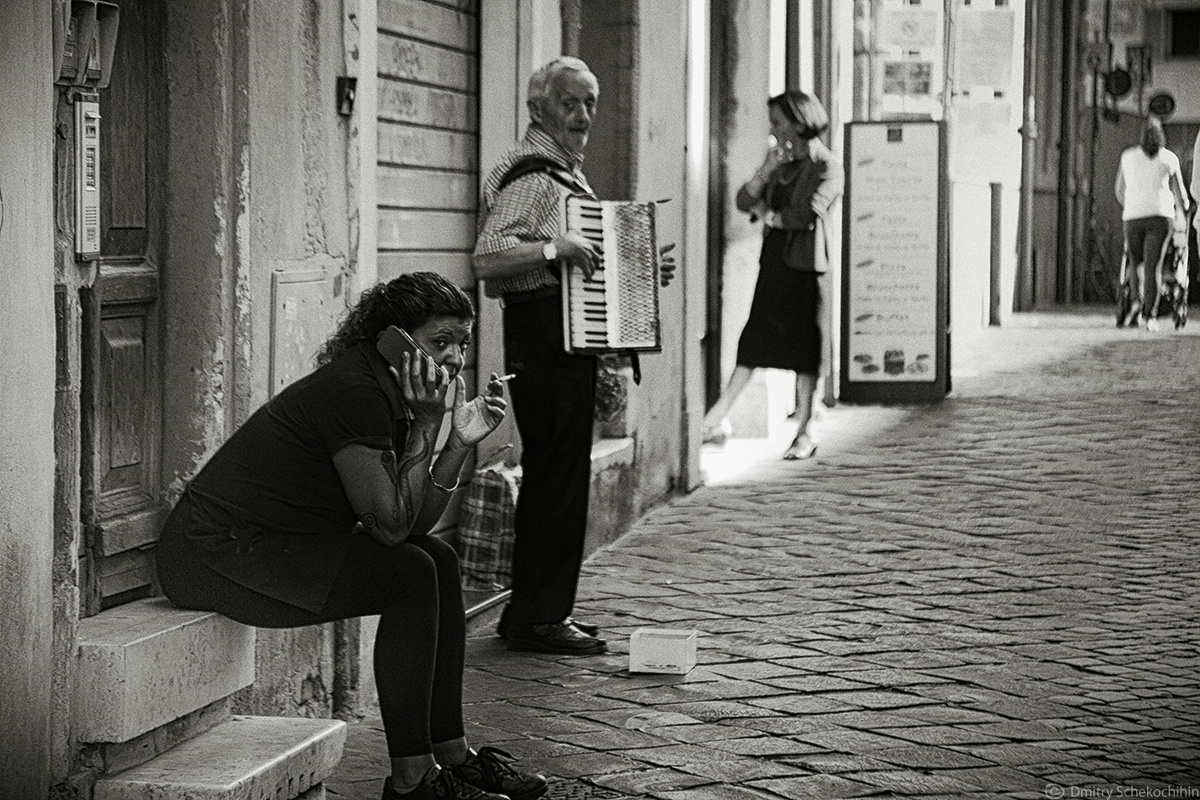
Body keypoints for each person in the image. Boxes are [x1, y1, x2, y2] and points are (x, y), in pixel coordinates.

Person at [156, 272, 548, 800]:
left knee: (438, 558)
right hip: (215, 555)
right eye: (440, 343)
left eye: (462, 344)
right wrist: (430, 426)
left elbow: (413, 525)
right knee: (409, 572)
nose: (456, 360)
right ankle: (413, 780)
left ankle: (453, 757)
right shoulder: (355, 391)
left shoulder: (396, 387)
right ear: (394, 340)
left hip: (277, 542)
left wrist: (456, 443)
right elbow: (389, 529)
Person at [472, 56, 673, 656]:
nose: (583, 115)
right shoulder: (535, 177)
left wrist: (638, 269)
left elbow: (576, 266)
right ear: (538, 108)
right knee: (555, 480)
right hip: (542, 338)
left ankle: (539, 611)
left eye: (590, 102)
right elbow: (487, 259)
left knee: (559, 477)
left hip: (559, 338)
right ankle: (536, 616)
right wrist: (555, 247)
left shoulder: (563, 173)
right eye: (569, 102)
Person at [702, 90, 843, 460]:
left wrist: (772, 216)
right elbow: (742, 201)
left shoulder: (826, 166)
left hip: (807, 268)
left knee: (805, 351)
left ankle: (805, 429)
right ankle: (717, 415)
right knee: (754, 341)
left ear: (799, 122)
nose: (773, 130)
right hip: (775, 263)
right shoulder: (780, 166)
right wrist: (765, 170)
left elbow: (806, 214)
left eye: (778, 122)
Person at [1115, 116, 1190, 330]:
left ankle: (1136, 304)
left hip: (1133, 216)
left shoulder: (1127, 156)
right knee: (1152, 267)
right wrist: (1184, 209)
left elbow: (1119, 190)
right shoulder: (1169, 158)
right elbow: (1180, 195)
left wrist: (1132, 204)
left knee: (1134, 263)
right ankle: (1150, 316)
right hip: (1160, 216)